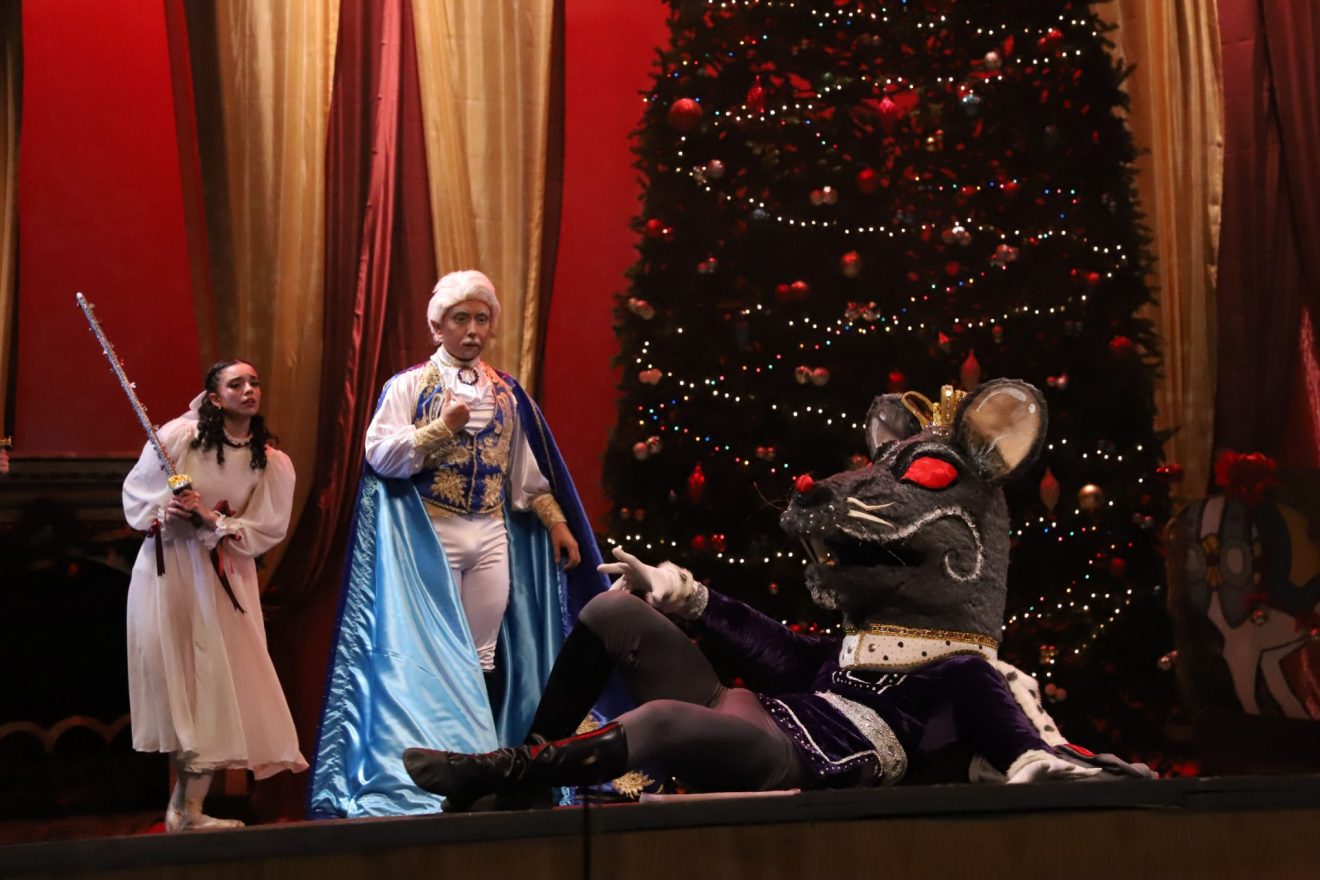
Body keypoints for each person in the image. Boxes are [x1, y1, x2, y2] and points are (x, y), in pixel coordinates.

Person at [309, 270, 614, 818]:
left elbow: (525, 473)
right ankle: (433, 764)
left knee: (482, 655)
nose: (472, 329)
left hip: (490, 532)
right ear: (438, 325)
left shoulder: (506, 392)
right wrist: (440, 427)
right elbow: (382, 455)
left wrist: (556, 523)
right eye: (461, 318)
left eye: (481, 318)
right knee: (434, 654)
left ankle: (477, 763)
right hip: (433, 534)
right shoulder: (409, 386)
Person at [122, 360, 306, 832]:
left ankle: (188, 808)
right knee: (184, 680)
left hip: (224, 576)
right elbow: (138, 497)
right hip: (171, 569)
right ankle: (184, 809)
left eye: (254, 382)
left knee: (219, 683)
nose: (248, 390)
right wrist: (165, 510)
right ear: (213, 397)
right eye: (235, 384)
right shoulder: (179, 438)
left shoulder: (270, 461)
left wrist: (213, 520)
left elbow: (266, 529)